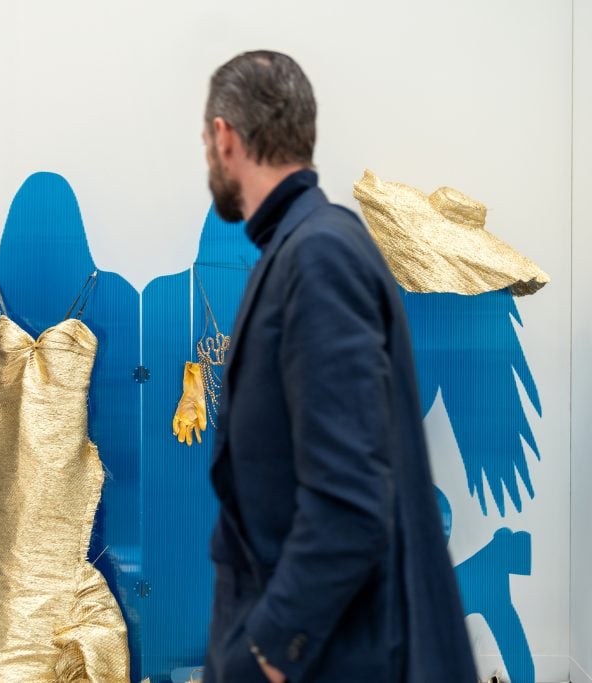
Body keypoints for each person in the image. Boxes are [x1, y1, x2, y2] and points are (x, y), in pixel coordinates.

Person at [202, 50, 478, 683]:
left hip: (334, 657)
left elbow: (351, 498)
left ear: (225, 137)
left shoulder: (318, 254)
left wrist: (267, 652)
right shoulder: (307, 245)